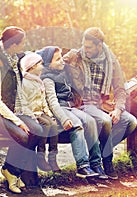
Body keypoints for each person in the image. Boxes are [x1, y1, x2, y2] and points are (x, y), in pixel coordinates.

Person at [63, 27, 137, 180]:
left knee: (130, 121)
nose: (85, 49)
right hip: (82, 104)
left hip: (101, 105)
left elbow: (120, 89)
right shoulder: (75, 57)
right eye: (84, 45)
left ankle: (101, 148)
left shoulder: (111, 61)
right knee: (105, 121)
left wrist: (118, 109)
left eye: (89, 47)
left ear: (99, 46)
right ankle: (107, 161)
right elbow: (52, 64)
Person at [0, 26, 43, 194]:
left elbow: (34, 57)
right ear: (13, 45)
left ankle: (12, 170)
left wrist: (24, 115)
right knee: (22, 136)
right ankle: (10, 172)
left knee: (37, 130)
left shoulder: (14, 59)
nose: (24, 46)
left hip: (12, 111)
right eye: (21, 43)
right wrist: (19, 122)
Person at [38, 46, 108, 179]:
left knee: (90, 121)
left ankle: (96, 163)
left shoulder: (62, 73)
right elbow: (53, 103)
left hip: (71, 107)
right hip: (60, 110)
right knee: (77, 124)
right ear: (48, 64)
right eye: (57, 60)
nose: (62, 61)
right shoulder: (47, 79)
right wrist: (64, 119)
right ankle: (82, 166)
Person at [20, 52, 60, 172]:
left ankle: (53, 157)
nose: (42, 67)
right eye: (40, 64)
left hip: (40, 113)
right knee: (46, 125)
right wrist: (32, 116)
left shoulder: (39, 82)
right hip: (31, 114)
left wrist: (49, 114)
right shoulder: (24, 82)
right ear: (32, 67)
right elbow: (23, 103)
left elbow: (43, 101)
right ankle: (40, 156)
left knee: (53, 125)